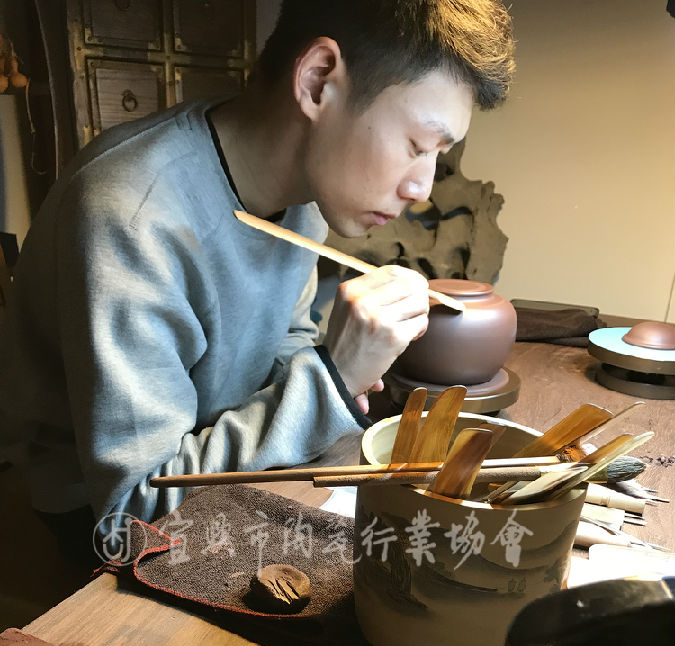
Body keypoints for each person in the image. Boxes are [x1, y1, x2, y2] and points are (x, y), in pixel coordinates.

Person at [0, 0, 514, 566]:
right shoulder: (133, 217)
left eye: (438, 156)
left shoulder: (303, 197)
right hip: (99, 516)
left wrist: (333, 371)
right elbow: (135, 516)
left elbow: (284, 336)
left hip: (219, 454)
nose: (422, 187)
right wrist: (332, 378)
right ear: (318, 81)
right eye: (417, 146)